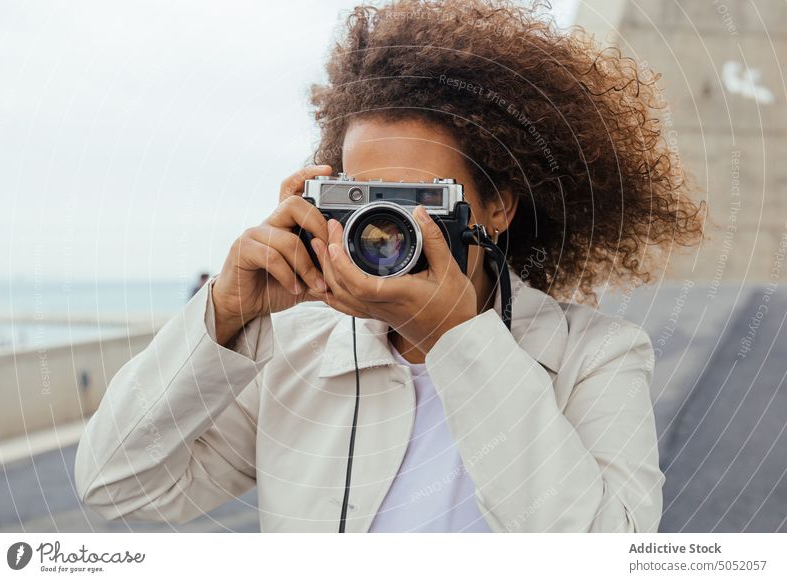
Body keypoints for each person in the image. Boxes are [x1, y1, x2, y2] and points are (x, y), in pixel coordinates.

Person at [74, 0, 704, 532]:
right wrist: (222, 315)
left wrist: (456, 340)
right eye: (364, 198)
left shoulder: (595, 357)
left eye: (417, 200)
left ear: (498, 206)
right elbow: (113, 484)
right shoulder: (296, 353)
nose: (385, 227)